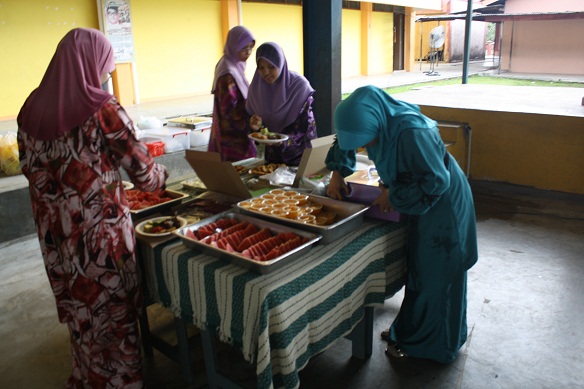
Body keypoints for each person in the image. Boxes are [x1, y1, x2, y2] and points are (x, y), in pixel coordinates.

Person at [17, 28, 168, 388]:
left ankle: (86, 377)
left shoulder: (29, 110)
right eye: (105, 67)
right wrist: (162, 177)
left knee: (82, 313)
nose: (106, 75)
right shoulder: (102, 109)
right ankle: (119, 382)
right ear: (90, 64)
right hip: (99, 238)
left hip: (57, 237)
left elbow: (28, 167)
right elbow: (144, 173)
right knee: (111, 316)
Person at [326, 85, 478, 364]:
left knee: (437, 276)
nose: (365, 148)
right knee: (419, 270)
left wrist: (393, 194)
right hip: (423, 201)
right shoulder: (369, 117)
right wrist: (337, 172)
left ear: (375, 123)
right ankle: (409, 331)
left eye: (366, 142)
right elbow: (345, 140)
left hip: (444, 207)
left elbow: (435, 182)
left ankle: (430, 346)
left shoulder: (413, 132)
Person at [246, 42, 317, 166]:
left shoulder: (298, 87)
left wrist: (282, 142)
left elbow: (305, 127)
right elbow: (262, 131)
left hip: (299, 157)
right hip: (272, 159)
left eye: (271, 66)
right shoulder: (256, 90)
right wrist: (257, 127)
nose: (266, 72)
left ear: (280, 63)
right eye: (261, 67)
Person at [208, 25, 256, 161]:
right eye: (244, 48)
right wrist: (251, 122)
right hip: (231, 137)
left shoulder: (233, 64)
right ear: (234, 46)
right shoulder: (228, 74)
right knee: (235, 173)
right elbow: (228, 110)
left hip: (234, 132)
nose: (248, 52)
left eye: (251, 48)